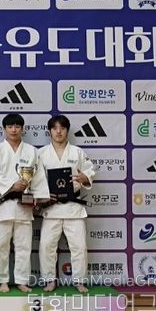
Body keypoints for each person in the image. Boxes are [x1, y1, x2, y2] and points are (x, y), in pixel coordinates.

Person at [0, 113, 49, 293]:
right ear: (4, 129)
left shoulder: (31, 151)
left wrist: (37, 197)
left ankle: (22, 280)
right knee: (1, 244)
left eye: (17, 126)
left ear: (22, 129)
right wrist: (11, 185)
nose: (13, 130)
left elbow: (38, 176)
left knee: (24, 246)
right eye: (10, 126)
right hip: (4, 203)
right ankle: (2, 280)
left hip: (24, 205)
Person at [38, 115, 95, 294]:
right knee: (46, 246)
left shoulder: (77, 152)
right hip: (51, 206)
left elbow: (89, 171)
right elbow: (37, 180)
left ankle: (79, 281)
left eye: (62, 128)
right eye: (55, 128)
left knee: (79, 247)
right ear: (50, 131)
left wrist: (85, 178)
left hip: (73, 207)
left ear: (67, 130)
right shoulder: (41, 154)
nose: (58, 131)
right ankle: (49, 280)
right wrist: (42, 196)